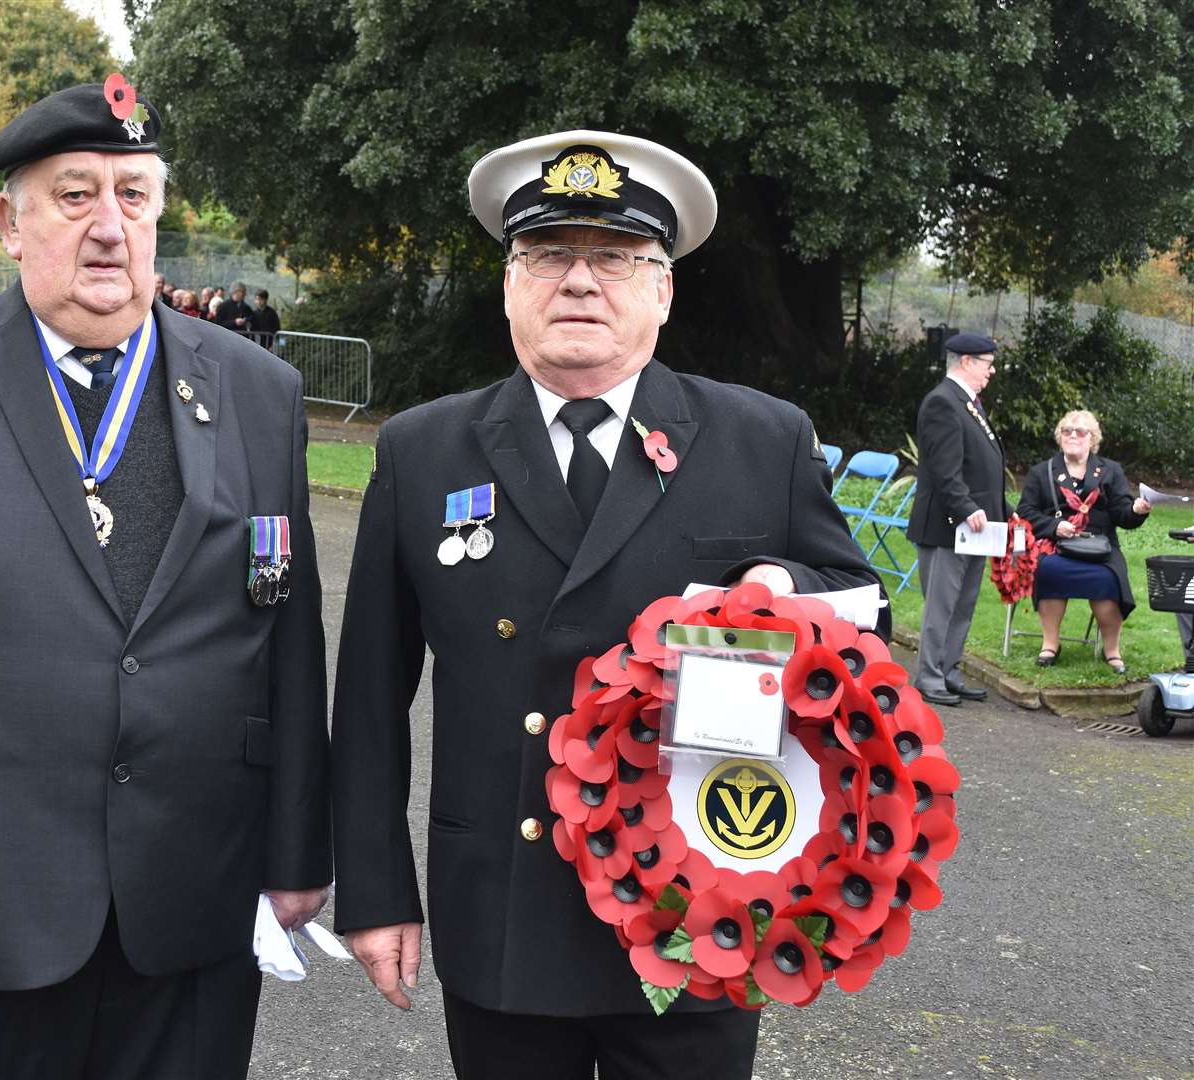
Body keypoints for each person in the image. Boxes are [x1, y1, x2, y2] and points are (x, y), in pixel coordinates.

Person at [0, 74, 330, 1080]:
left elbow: (287, 642)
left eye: (135, 195)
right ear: (10, 220)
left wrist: (299, 852)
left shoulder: (258, 391)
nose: (110, 227)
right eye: (76, 194)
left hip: (193, 909)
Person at [329, 130, 884, 1080]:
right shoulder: (424, 453)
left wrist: (789, 595)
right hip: (504, 906)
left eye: (618, 259)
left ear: (663, 292)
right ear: (508, 286)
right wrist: (376, 892)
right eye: (547, 256)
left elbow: (865, 612)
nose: (579, 283)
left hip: (697, 920)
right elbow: (370, 699)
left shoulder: (762, 440)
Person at [904, 332, 1008, 706]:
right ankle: (929, 675)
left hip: (975, 527)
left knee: (963, 604)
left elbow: (981, 465)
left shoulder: (967, 404)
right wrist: (965, 507)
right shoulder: (943, 402)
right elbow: (944, 468)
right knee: (942, 605)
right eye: (986, 364)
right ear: (966, 361)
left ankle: (948, 670)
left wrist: (1002, 513)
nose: (991, 371)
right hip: (948, 526)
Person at [1014, 410, 1153, 674]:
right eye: (1067, 431)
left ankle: (1111, 649)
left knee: (1110, 577)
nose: (1073, 435)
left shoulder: (1110, 470)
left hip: (1101, 546)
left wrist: (1136, 510)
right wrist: (1055, 526)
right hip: (1056, 546)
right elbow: (1026, 512)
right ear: (1060, 437)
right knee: (1048, 569)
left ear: (1093, 438)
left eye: (1080, 431)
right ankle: (1050, 644)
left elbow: (1122, 513)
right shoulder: (1041, 472)